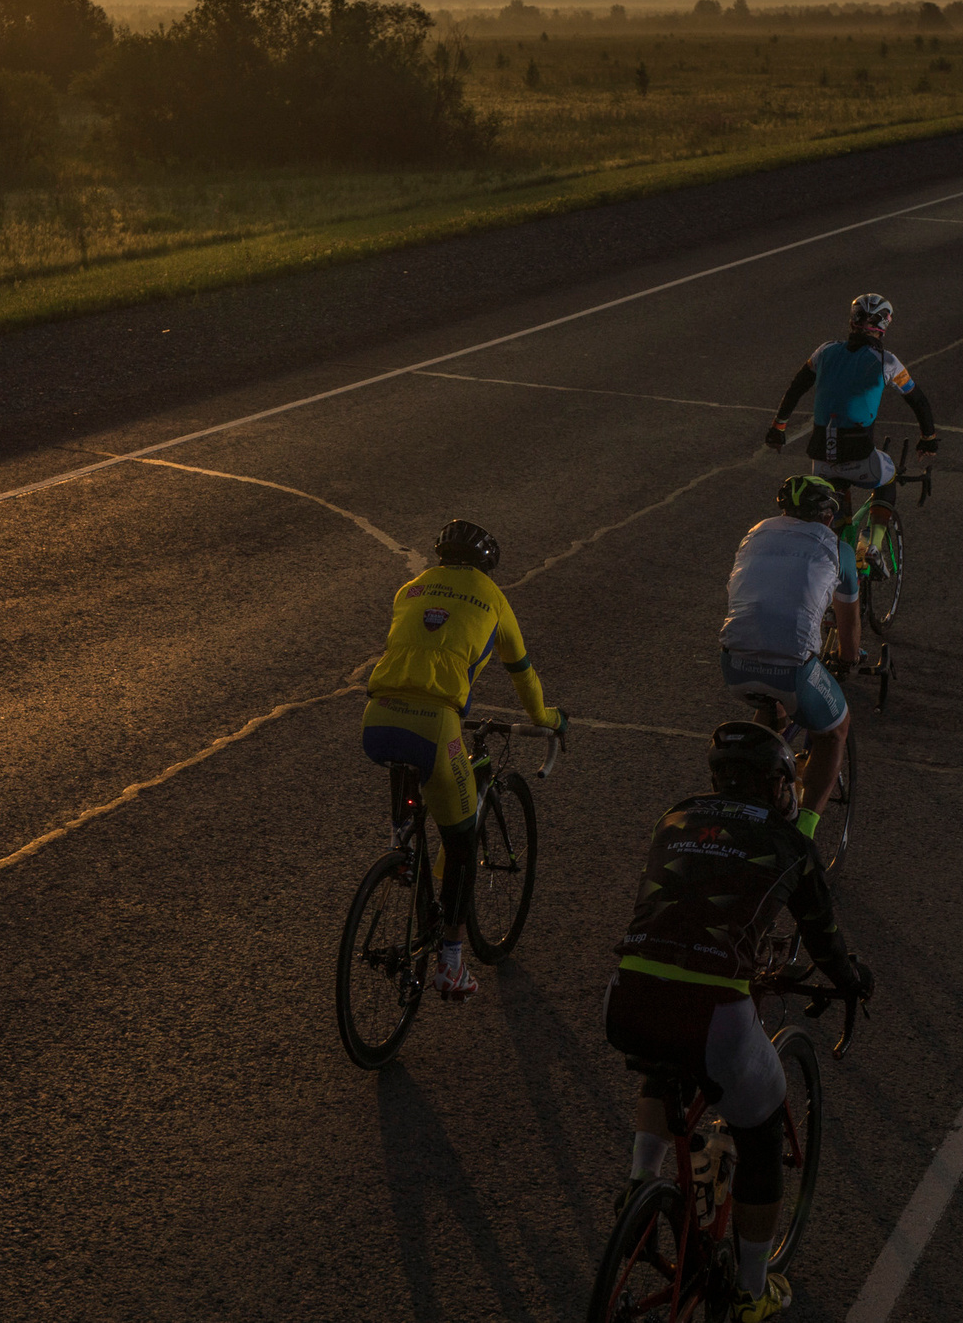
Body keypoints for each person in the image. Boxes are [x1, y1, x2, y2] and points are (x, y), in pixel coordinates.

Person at [604, 721, 872, 1323]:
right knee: (761, 1126)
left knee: (663, 1062)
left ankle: (640, 1189)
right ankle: (752, 1290)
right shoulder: (789, 843)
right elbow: (823, 940)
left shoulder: (675, 817)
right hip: (712, 1014)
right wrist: (850, 979)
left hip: (626, 995)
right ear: (779, 786)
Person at [362, 518, 567, 1000]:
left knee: (414, 813)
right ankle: (451, 964)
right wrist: (548, 718)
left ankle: (403, 853)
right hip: (435, 724)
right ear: (486, 565)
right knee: (460, 841)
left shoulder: (409, 589)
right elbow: (521, 671)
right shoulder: (492, 597)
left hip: (377, 716)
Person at [764, 292, 939, 665]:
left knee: (835, 527)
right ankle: (873, 544)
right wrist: (929, 438)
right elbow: (918, 400)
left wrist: (778, 427)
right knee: (887, 477)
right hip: (860, 457)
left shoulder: (824, 351)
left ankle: (832, 594)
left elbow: (796, 386)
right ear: (885, 326)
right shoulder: (887, 361)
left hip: (821, 459)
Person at [720, 477, 857, 840]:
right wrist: (847, 658)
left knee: (771, 707)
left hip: (733, 662)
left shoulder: (756, 533)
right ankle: (805, 835)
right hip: (792, 668)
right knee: (835, 731)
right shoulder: (838, 548)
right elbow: (849, 626)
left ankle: (755, 786)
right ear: (827, 517)